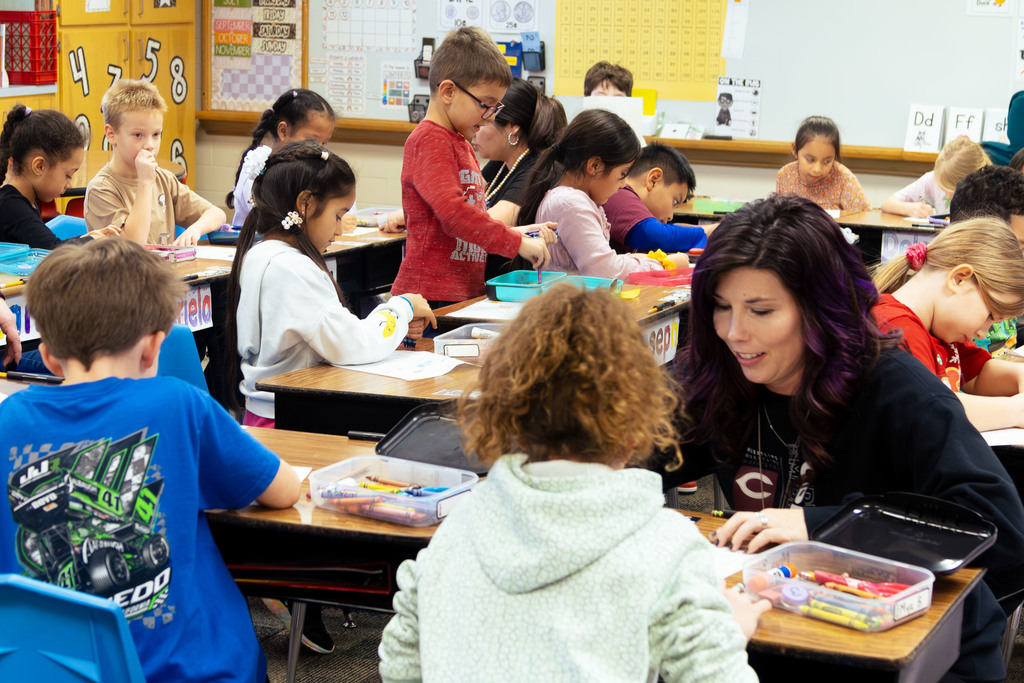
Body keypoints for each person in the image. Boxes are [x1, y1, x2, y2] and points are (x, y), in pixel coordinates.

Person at [666, 193, 1024, 682]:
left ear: (821, 311)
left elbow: (1000, 526)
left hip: (922, 651)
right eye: (720, 307)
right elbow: (625, 459)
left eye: (762, 311)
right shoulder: (718, 375)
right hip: (793, 620)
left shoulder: (897, 389)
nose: (733, 332)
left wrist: (823, 527)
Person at [379, 284, 768, 682]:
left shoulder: (456, 528)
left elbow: (400, 667)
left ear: (510, 418)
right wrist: (728, 636)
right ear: (638, 424)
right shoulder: (667, 547)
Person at [0, 238, 301, 682]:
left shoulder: (9, 419)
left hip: (49, 670)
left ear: (46, 356)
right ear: (153, 348)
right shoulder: (180, 404)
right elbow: (284, 490)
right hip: (193, 671)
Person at [226, 141, 435, 428]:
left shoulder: (261, 253)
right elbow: (356, 345)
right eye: (337, 215)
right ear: (305, 203)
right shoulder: (293, 268)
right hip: (291, 419)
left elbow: (330, 333)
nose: (338, 229)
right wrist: (403, 306)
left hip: (271, 412)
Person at [388, 27, 555, 307]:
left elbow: (474, 219)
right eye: (486, 105)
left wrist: (517, 232)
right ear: (449, 92)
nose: (489, 117)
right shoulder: (429, 139)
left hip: (460, 293)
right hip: (428, 297)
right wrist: (517, 244)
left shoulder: (460, 142)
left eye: (495, 108)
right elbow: (454, 215)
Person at [872, 218, 1024, 431]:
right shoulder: (896, 331)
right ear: (959, 279)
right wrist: (1016, 411)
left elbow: (978, 375)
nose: (983, 334)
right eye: (990, 316)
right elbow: (932, 410)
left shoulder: (940, 330)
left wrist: (1020, 374)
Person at [517, 109, 689, 278]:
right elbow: (606, 271)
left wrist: (638, 259)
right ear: (594, 166)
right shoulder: (570, 203)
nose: (622, 184)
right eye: (622, 174)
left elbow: (601, 261)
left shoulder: (573, 199)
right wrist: (663, 264)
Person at [85, 79, 226, 246]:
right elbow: (133, 245)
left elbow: (217, 214)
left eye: (156, 134)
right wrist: (145, 183)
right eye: (138, 135)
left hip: (166, 270)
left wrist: (195, 230)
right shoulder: (101, 189)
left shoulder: (164, 179)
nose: (150, 145)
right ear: (111, 134)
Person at [226, 88, 352, 234]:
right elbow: (277, 221)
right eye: (311, 141)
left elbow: (344, 205)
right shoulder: (257, 166)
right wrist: (332, 221)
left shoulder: (314, 166)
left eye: (324, 143)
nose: (319, 150)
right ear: (283, 131)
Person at [0, 105, 120, 248]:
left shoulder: (22, 202)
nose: (69, 185)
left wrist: (87, 237)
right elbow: (53, 251)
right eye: (68, 175)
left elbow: (45, 244)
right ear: (39, 166)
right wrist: (91, 241)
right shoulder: (12, 207)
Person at [473, 78, 567, 225]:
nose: (474, 130)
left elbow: (482, 228)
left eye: (483, 123)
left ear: (512, 127)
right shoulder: (502, 160)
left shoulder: (537, 169)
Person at [603, 142, 707, 253]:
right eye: (675, 201)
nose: (670, 216)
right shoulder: (619, 194)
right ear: (653, 180)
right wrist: (701, 234)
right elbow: (655, 236)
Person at [776, 116, 870, 212]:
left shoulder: (843, 178)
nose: (817, 169)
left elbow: (865, 217)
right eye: (810, 159)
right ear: (795, 150)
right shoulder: (785, 175)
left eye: (827, 161)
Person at [881, 137, 990, 218]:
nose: (946, 195)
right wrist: (909, 209)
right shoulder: (933, 179)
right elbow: (887, 203)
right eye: (943, 189)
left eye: (951, 190)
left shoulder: (991, 191)